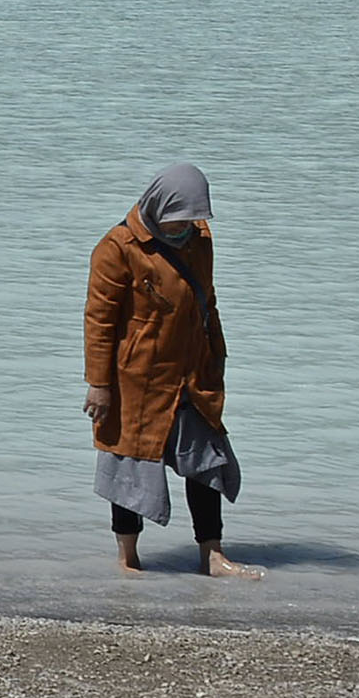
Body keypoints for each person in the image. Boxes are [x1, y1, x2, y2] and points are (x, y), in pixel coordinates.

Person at [84, 161, 255, 577]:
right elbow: (99, 321)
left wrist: (216, 357)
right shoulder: (117, 247)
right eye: (176, 221)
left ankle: (212, 555)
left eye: (193, 219)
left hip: (194, 373)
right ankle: (128, 560)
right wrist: (99, 384)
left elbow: (207, 302)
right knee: (130, 466)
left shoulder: (200, 240)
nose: (184, 228)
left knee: (206, 464)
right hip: (136, 379)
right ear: (158, 206)